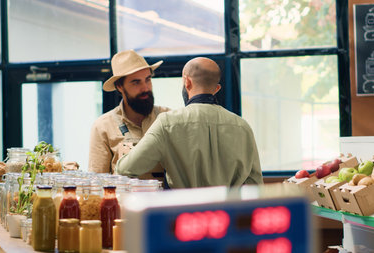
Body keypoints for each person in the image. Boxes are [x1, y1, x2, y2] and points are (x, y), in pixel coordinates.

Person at [116, 57, 263, 188]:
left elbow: (127, 168)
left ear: (187, 82)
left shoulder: (167, 122)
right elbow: (255, 184)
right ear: (216, 89)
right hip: (229, 215)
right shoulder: (242, 126)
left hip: (184, 215)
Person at [88, 49, 169, 175]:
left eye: (148, 79)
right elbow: (97, 180)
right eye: (136, 82)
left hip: (165, 195)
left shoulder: (168, 118)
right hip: (123, 194)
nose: (145, 88)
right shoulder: (103, 126)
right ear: (119, 87)